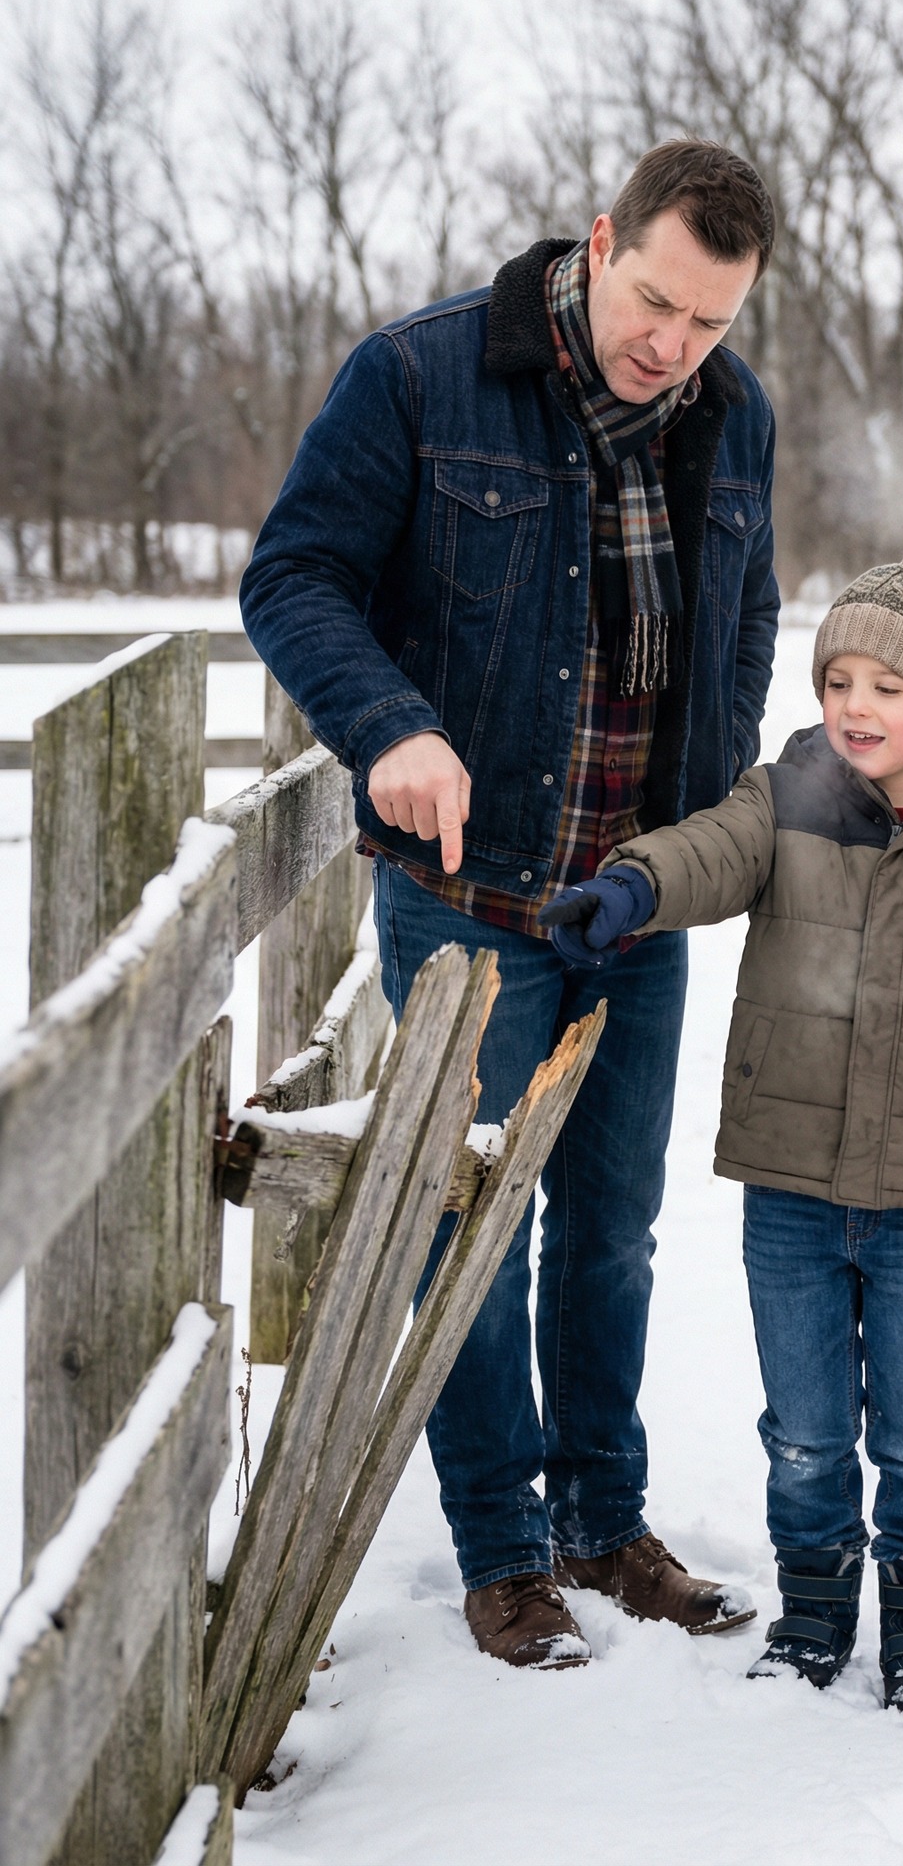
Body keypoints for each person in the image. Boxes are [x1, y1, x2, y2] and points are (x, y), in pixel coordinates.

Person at [240, 141, 782, 1669]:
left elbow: (743, 624)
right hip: (467, 896)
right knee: (470, 1231)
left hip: (635, 900)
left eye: (711, 324)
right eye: (657, 303)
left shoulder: (733, 418)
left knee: (614, 1229)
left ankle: (603, 1521)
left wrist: (697, 822)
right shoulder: (418, 379)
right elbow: (292, 579)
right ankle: (500, 1551)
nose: (673, 347)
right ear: (600, 242)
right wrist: (392, 726)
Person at [542, 538, 903, 1716]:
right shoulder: (783, 801)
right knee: (807, 1431)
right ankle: (818, 1612)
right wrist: (630, 887)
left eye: (887, 687)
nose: (856, 708)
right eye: (838, 682)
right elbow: (706, 852)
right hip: (787, 1190)